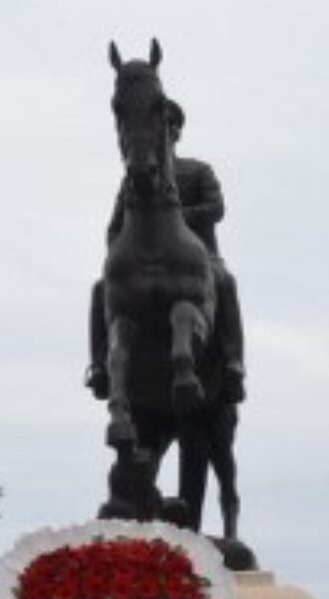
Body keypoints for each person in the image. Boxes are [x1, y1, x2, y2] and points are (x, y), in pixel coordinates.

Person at [89, 98, 245, 400]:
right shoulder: (132, 181)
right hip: (140, 264)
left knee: (226, 282)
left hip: (199, 261)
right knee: (99, 289)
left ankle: (232, 362)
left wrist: (175, 219)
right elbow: (114, 226)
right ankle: (98, 366)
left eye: (171, 126)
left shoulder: (198, 170)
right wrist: (118, 256)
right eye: (163, 125)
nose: (167, 131)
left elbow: (216, 208)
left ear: (176, 133)